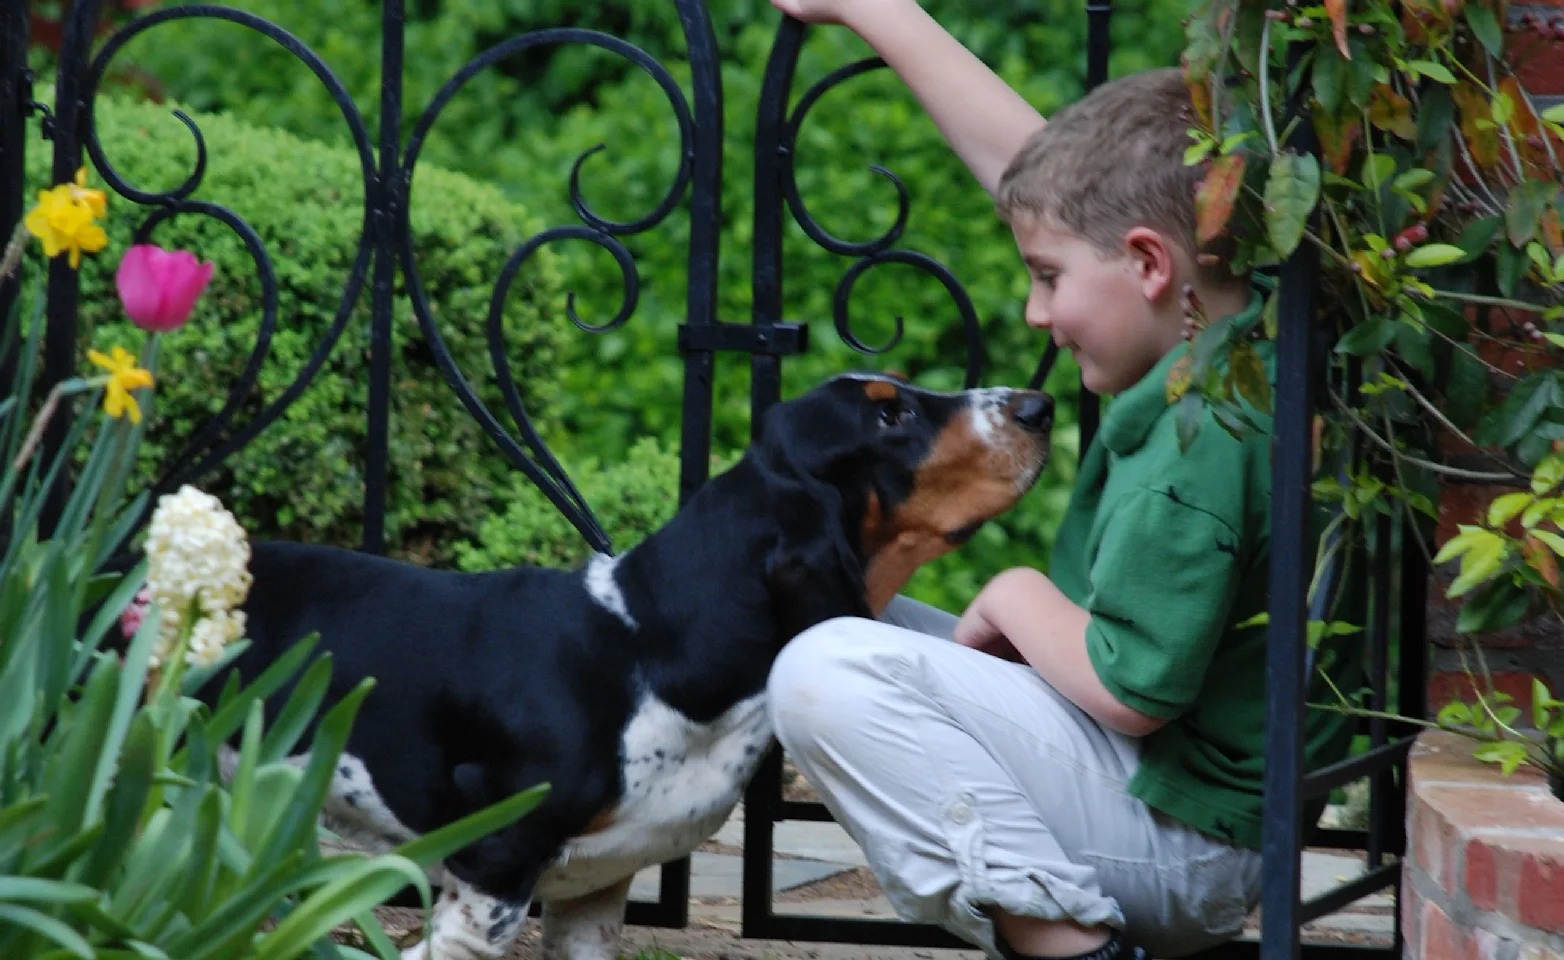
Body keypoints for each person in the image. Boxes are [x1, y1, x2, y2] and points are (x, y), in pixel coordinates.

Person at [762, 3, 1351, 960]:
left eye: (1045, 277)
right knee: (836, 628)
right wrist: (878, 12)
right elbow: (1069, 192)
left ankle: (1069, 948)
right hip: (1170, 802)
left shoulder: (1203, 443)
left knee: (823, 674)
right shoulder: (1249, 324)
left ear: (1152, 265)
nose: (1036, 312)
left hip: (1183, 843)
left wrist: (1018, 595)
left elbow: (1135, 690)